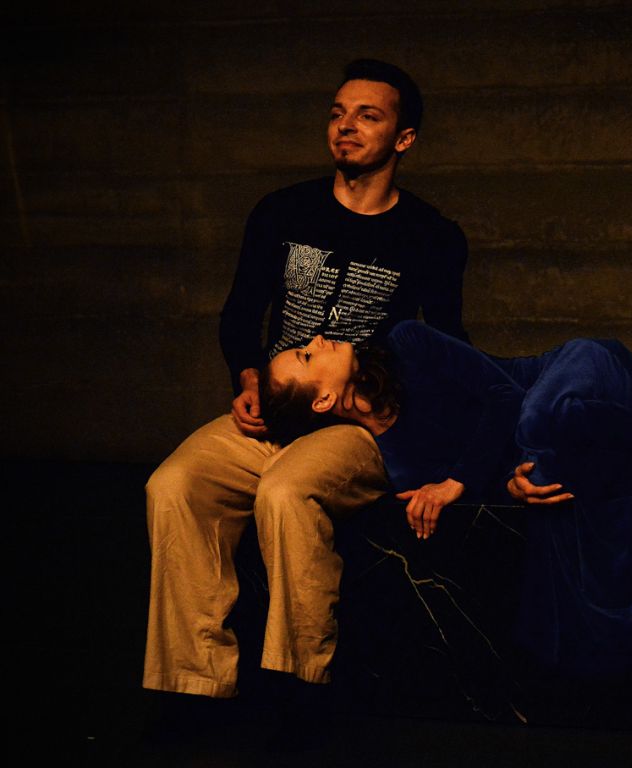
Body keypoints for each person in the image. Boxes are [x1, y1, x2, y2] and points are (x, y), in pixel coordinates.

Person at [143, 59, 470, 701]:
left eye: (368, 116)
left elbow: (448, 349)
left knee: (287, 490)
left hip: (356, 422)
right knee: (173, 485)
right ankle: (191, 683)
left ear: (404, 138)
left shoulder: (431, 236)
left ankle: (298, 684)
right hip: (274, 410)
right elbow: (240, 315)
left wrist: (438, 451)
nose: (346, 126)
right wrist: (248, 381)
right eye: (338, 113)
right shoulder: (282, 211)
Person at [259, 320, 632, 677]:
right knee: (547, 477)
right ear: (323, 401)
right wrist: (511, 487)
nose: (319, 339)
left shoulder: (406, 343)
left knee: (538, 421)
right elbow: (500, 478)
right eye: (307, 354)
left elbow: (504, 398)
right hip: (576, 443)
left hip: (580, 374)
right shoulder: (397, 463)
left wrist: (457, 482)